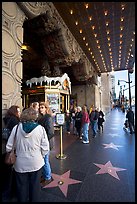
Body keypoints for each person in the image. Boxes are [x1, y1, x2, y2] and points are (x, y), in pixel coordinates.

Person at [6, 107, 50, 202]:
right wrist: (40, 155)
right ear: (35, 116)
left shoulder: (16, 128)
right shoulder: (40, 129)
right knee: (35, 187)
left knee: (21, 187)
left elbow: (8, 147)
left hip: (20, 163)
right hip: (36, 162)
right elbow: (46, 148)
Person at [2, 105, 21, 202]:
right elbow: (16, 137)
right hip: (9, 150)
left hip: (3, 150)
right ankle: (8, 194)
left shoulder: (5, 119)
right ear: (15, 112)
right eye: (18, 111)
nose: (20, 112)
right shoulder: (15, 121)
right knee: (10, 174)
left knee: (5, 173)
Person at [38, 101, 54, 187]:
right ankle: (45, 175)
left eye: (42, 107)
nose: (40, 109)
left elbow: (51, 132)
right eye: (40, 107)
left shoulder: (48, 118)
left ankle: (48, 178)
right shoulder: (41, 117)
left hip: (46, 143)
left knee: (45, 160)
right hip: (42, 142)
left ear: (46, 108)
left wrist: (43, 141)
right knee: (43, 160)